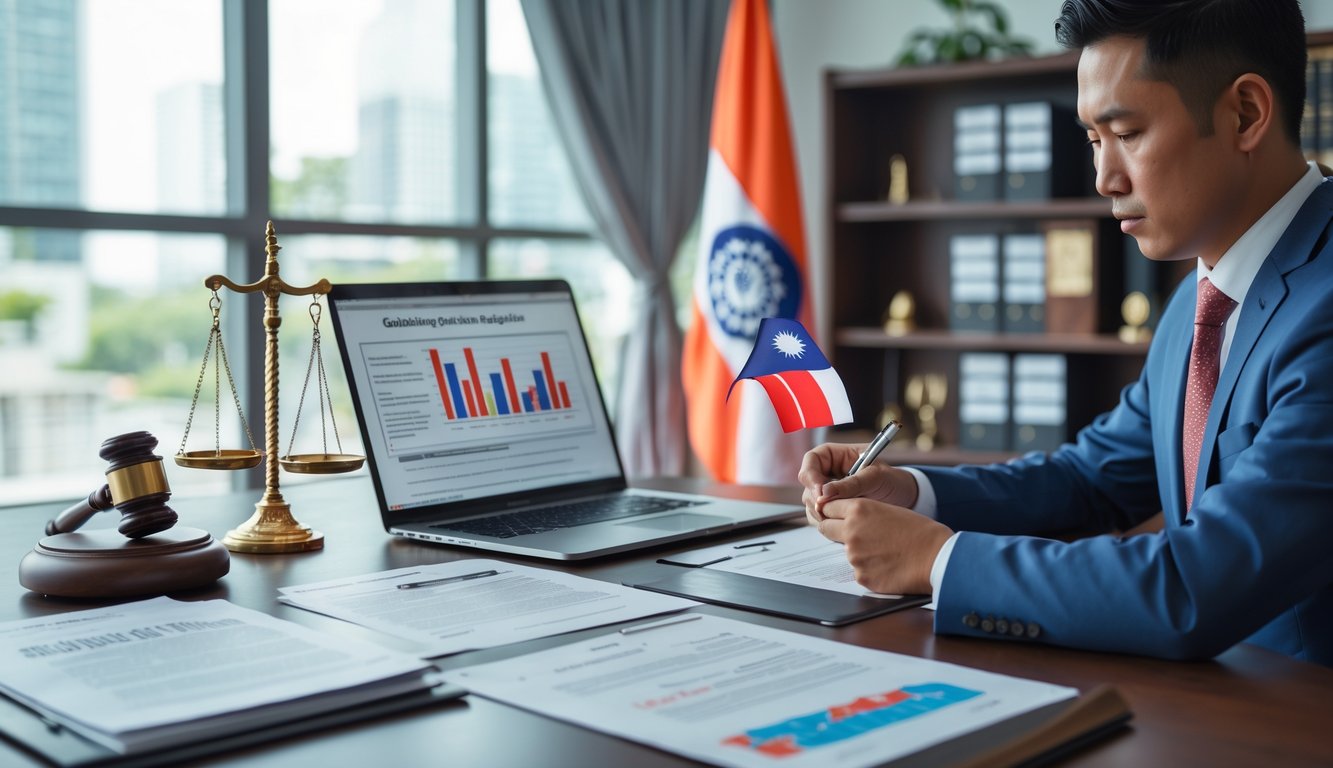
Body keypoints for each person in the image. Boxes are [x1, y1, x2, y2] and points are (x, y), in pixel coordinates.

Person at [800, 0, 1333, 666]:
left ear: (1245, 114)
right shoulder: (1198, 302)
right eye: (1093, 140)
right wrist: (911, 492)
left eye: (1127, 133)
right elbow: (1092, 480)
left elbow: (1193, 585)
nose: (1104, 179)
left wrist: (939, 561)